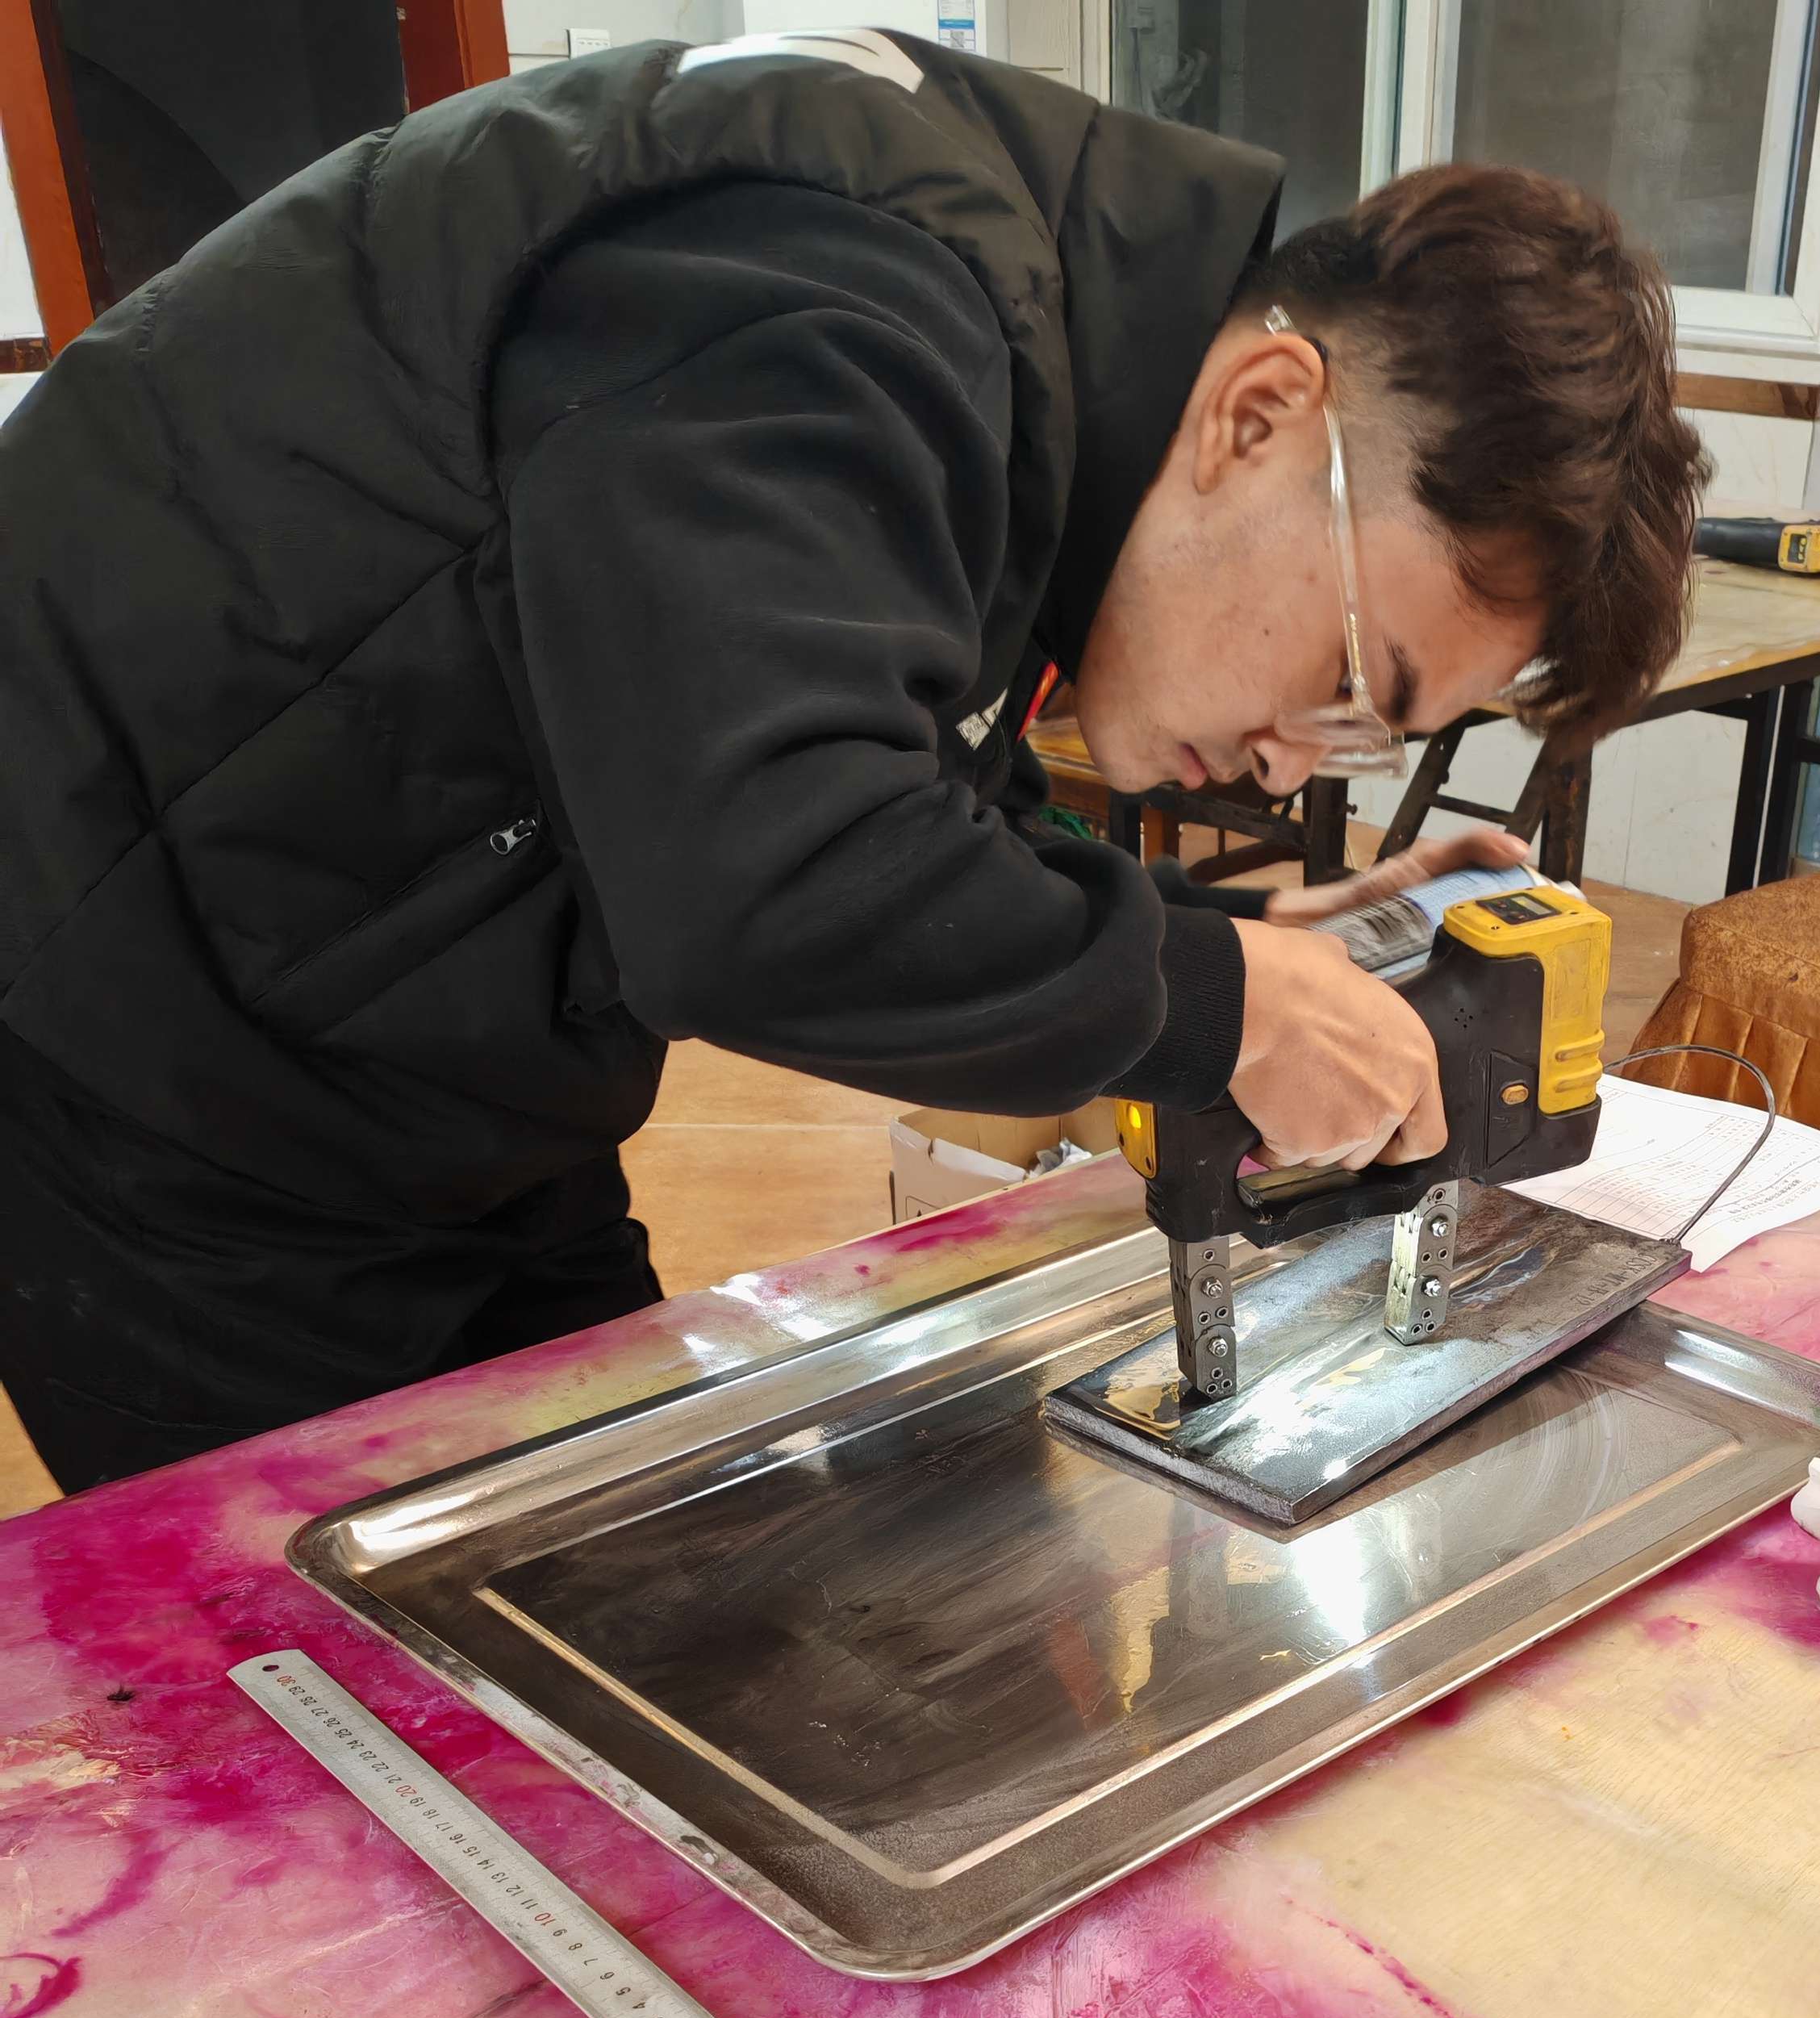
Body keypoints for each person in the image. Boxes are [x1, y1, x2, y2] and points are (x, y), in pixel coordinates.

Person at [0, 31, 1703, 1493]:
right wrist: (1218, 999)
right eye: (1344, 677)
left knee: (616, 1546)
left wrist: (1233, 946)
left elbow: (902, 781)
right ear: (1260, 412)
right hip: (148, 1019)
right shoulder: (840, 297)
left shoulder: (1014, 372)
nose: (1280, 766)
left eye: (1365, 737)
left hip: (440, 1034)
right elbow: (761, 874)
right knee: (322, 1688)